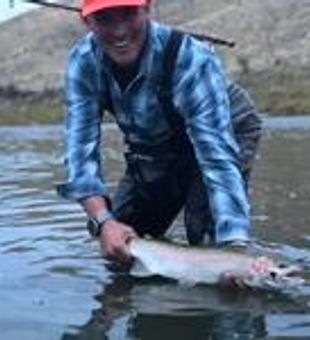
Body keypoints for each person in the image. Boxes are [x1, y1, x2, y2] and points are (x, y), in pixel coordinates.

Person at [57, 0, 262, 263]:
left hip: (227, 127)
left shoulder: (191, 58)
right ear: (87, 22)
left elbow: (218, 161)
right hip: (156, 143)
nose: (119, 31)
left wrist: (235, 253)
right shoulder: (83, 63)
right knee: (120, 249)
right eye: (105, 18)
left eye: (129, 14)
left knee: (211, 242)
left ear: (147, 8)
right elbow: (80, 157)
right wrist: (104, 221)